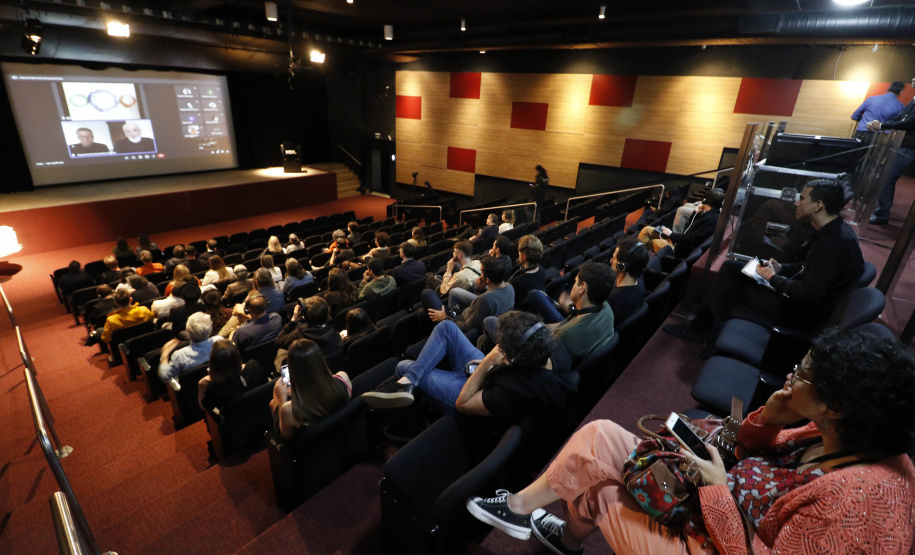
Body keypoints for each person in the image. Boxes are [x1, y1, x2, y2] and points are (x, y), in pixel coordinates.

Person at [467, 329, 915, 555]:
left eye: (800, 376)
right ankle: (524, 511)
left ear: (834, 405)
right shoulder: (834, 430)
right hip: (710, 505)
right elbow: (753, 449)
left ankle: (562, 537)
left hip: (712, 539)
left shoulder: (860, 506)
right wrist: (769, 420)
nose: (789, 379)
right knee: (599, 435)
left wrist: (718, 490)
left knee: (598, 487)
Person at [665, 179, 864, 345]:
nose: (796, 203)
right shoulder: (833, 231)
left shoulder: (833, 243)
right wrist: (780, 268)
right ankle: (704, 328)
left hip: (801, 313)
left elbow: (809, 293)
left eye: (802, 198)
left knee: (725, 283)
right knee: (732, 267)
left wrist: (773, 277)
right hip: (803, 300)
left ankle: (710, 333)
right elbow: (808, 267)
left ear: (818, 205)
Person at [363, 310, 577, 421]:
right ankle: (410, 382)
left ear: (509, 358)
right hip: (494, 374)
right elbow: (516, 371)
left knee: (404, 365)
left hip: (469, 397)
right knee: (446, 327)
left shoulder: (512, 392)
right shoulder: (556, 350)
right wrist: (491, 364)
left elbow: (463, 404)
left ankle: (409, 382)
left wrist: (486, 364)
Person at [526, 261, 616, 360]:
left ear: (582, 287)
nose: (573, 286)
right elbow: (563, 324)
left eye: (575, 281)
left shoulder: (566, 335)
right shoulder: (606, 308)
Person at [270, 339, 352, 441]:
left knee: (273, 402)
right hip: (345, 439)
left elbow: (287, 438)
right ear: (320, 360)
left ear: (293, 370)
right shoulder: (343, 378)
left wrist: (282, 400)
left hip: (314, 451)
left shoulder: (289, 409)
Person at [866, 77, 915, 225]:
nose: (912, 79)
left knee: (887, 178)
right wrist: (881, 124)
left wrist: (881, 126)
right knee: (885, 176)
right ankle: (881, 211)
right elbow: (899, 118)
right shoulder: (913, 100)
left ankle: (882, 215)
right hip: (902, 145)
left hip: (910, 147)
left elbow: (911, 122)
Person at [423, 256, 514, 335]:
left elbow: (467, 329)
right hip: (472, 312)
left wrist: (445, 318)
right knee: (453, 292)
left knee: (427, 293)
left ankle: (440, 330)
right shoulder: (510, 287)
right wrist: (480, 290)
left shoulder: (484, 300)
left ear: (487, 280)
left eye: (481, 273)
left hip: (458, 323)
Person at [638, 188, 725, 255]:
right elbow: (690, 228)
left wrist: (671, 234)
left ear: (706, 200)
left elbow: (692, 239)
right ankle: (639, 255)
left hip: (678, 248)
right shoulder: (711, 215)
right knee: (647, 229)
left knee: (649, 239)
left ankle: (637, 257)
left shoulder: (711, 219)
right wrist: (696, 213)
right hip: (680, 241)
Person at [198, 340, 268, 412]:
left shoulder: (214, 389)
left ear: (213, 363)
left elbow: (205, 408)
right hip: (264, 412)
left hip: (237, 421)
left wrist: (201, 386)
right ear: (237, 356)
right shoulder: (255, 366)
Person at [157, 312, 219, 381]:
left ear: (188, 330)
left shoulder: (180, 356)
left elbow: (164, 376)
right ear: (211, 328)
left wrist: (164, 356)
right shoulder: (220, 342)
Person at [275, 296, 342, 360]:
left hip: (308, 368)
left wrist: (294, 319)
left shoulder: (299, 334)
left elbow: (279, 341)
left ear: (304, 317)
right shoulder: (336, 335)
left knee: (281, 351)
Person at [607, 238, 649, 323]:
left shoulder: (612, 300)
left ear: (622, 266)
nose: (611, 261)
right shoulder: (640, 284)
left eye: (614, 258)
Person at [508, 235, 546, 306]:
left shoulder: (517, 282)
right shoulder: (541, 270)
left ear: (524, 256)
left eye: (519, 252)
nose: (518, 253)